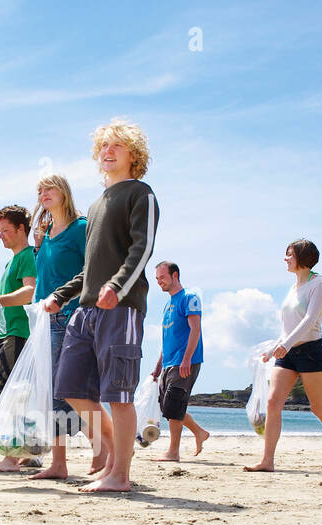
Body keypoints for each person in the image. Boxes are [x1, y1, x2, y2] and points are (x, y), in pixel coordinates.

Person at [45, 118, 159, 493]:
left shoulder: (141, 194)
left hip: (121, 308)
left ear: (134, 155)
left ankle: (119, 475)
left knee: (118, 394)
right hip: (85, 309)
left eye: (117, 146)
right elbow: (89, 267)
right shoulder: (95, 206)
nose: (108, 152)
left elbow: (141, 250)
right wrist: (61, 295)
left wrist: (116, 286)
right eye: (104, 147)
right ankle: (112, 454)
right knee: (70, 387)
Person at [27, 174, 110, 480]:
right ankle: (59, 463)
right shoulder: (46, 231)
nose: (43, 193)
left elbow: (94, 269)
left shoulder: (81, 227)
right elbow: (43, 280)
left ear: (62, 191)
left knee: (75, 387)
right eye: (39, 190)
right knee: (53, 392)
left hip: (74, 315)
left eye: (48, 188)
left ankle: (102, 446)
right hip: (45, 319)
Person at [245, 239, 322, 474]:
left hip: (311, 352)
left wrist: (287, 345)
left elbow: (310, 319)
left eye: (289, 254)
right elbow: (287, 325)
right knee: (273, 403)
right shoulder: (293, 288)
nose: (285, 259)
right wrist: (275, 348)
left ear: (302, 256)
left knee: (318, 407)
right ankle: (267, 460)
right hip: (287, 354)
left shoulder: (319, 283)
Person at [0, 205, 38, 472]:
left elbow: (29, 292)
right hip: (2, 335)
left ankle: (12, 456)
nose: (1, 236)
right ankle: (30, 449)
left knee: (10, 398)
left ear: (21, 229)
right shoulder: (9, 261)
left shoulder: (28, 256)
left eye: (6, 230)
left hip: (18, 335)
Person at [149, 261, 210, 461]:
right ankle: (199, 432)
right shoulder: (168, 303)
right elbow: (168, 337)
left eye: (162, 277)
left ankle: (173, 452)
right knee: (168, 407)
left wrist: (186, 359)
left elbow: (195, 330)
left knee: (174, 405)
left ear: (175, 275)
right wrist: (159, 365)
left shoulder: (190, 298)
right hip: (169, 362)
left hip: (185, 362)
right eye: (157, 279)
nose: (159, 282)